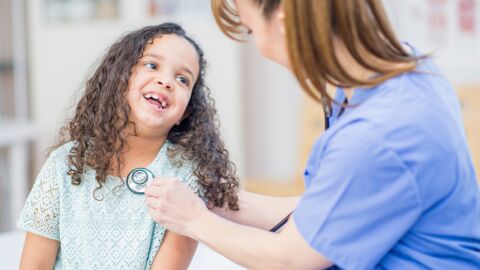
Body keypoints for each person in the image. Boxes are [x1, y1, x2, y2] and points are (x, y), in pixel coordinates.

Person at [145, 1, 480, 269]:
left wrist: (194, 220)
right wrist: (212, 199)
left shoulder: (377, 135)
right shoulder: (406, 70)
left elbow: (291, 258)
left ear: (285, 23)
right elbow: (334, 207)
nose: (259, 46)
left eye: (251, 29)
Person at [17, 22, 239, 269]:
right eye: (152, 65)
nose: (166, 81)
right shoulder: (64, 163)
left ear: (185, 113)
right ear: (120, 77)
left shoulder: (185, 177)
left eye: (183, 79)